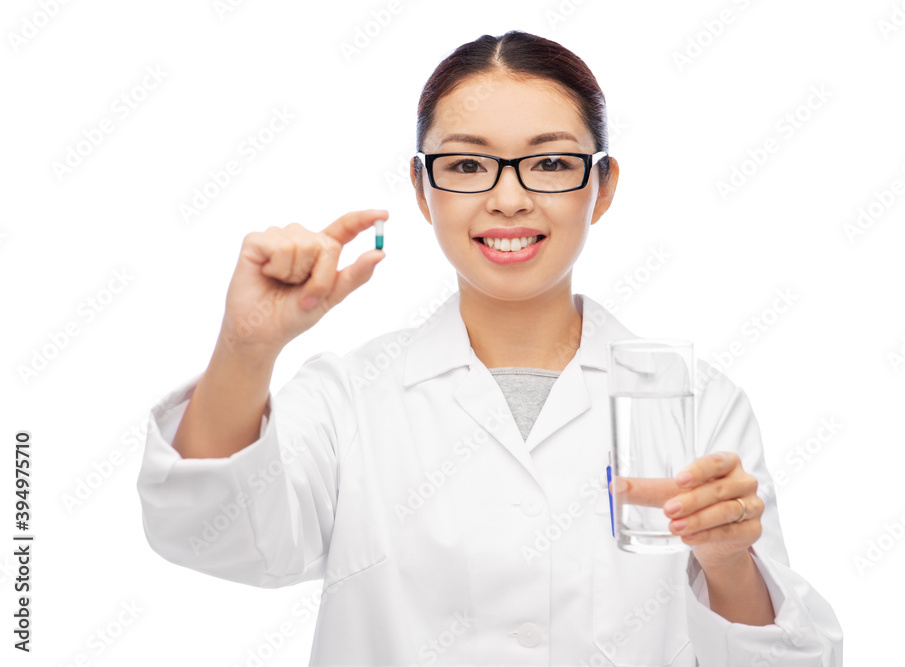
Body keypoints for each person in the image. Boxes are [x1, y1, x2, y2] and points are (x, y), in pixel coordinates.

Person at [137, 30, 843, 666]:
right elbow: (206, 535)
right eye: (470, 167)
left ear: (602, 187)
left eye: (551, 163)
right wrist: (246, 346)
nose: (508, 199)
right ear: (422, 188)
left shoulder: (698, 405)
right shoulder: (351, 398)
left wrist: (727, 561)